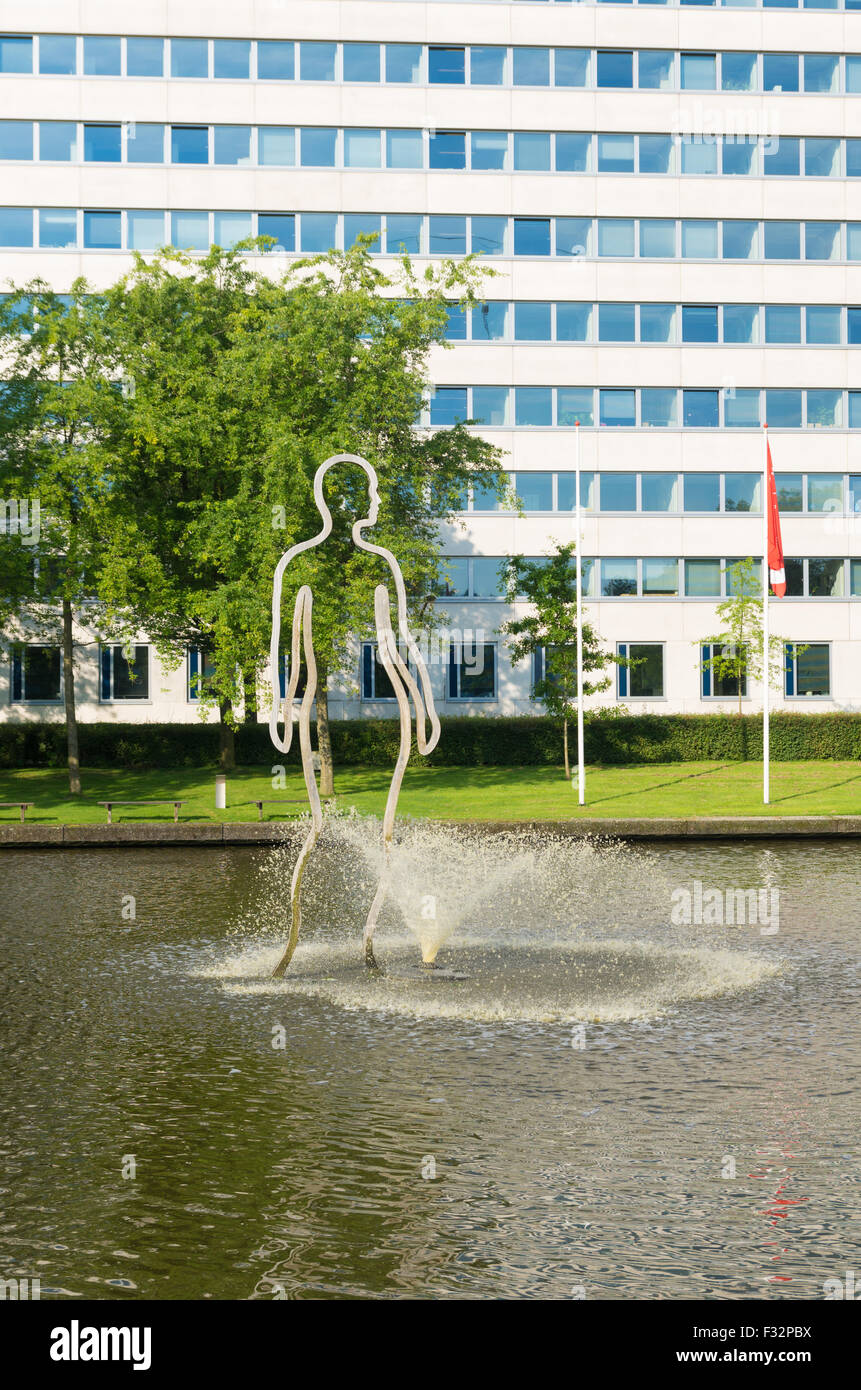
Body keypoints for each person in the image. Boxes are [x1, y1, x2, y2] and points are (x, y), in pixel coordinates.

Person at [268, 453, 440, 975]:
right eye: (371, 493)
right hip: (307, 691)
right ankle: (293, 947)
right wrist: (279, 712)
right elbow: (283, 644)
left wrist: (426, 708)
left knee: (386, 831)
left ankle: (368, 945)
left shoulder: (380, 561)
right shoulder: (299, 562)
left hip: (394, 693)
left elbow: (404, 637)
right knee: (318, 824)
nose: (377, 502)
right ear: (344, 500)